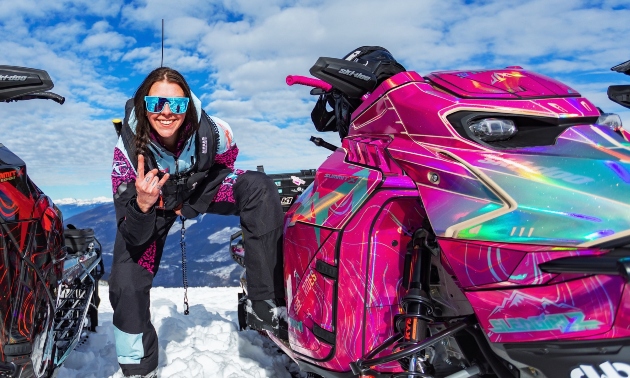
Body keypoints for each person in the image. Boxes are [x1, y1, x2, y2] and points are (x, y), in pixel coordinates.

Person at [109, 67, 286, 378]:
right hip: (149, 204)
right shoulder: (127, 152)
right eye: (156, 104)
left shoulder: (216, 132)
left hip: (196, 192)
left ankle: (267, 303)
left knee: (258, 186)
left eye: (176, 105)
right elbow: (132, 234)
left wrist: (191, 204)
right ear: (143, 105)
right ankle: (138, 368)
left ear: (187, 105)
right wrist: (143, 204)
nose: (166, 113)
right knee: (126, 282)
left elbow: (223, 168)